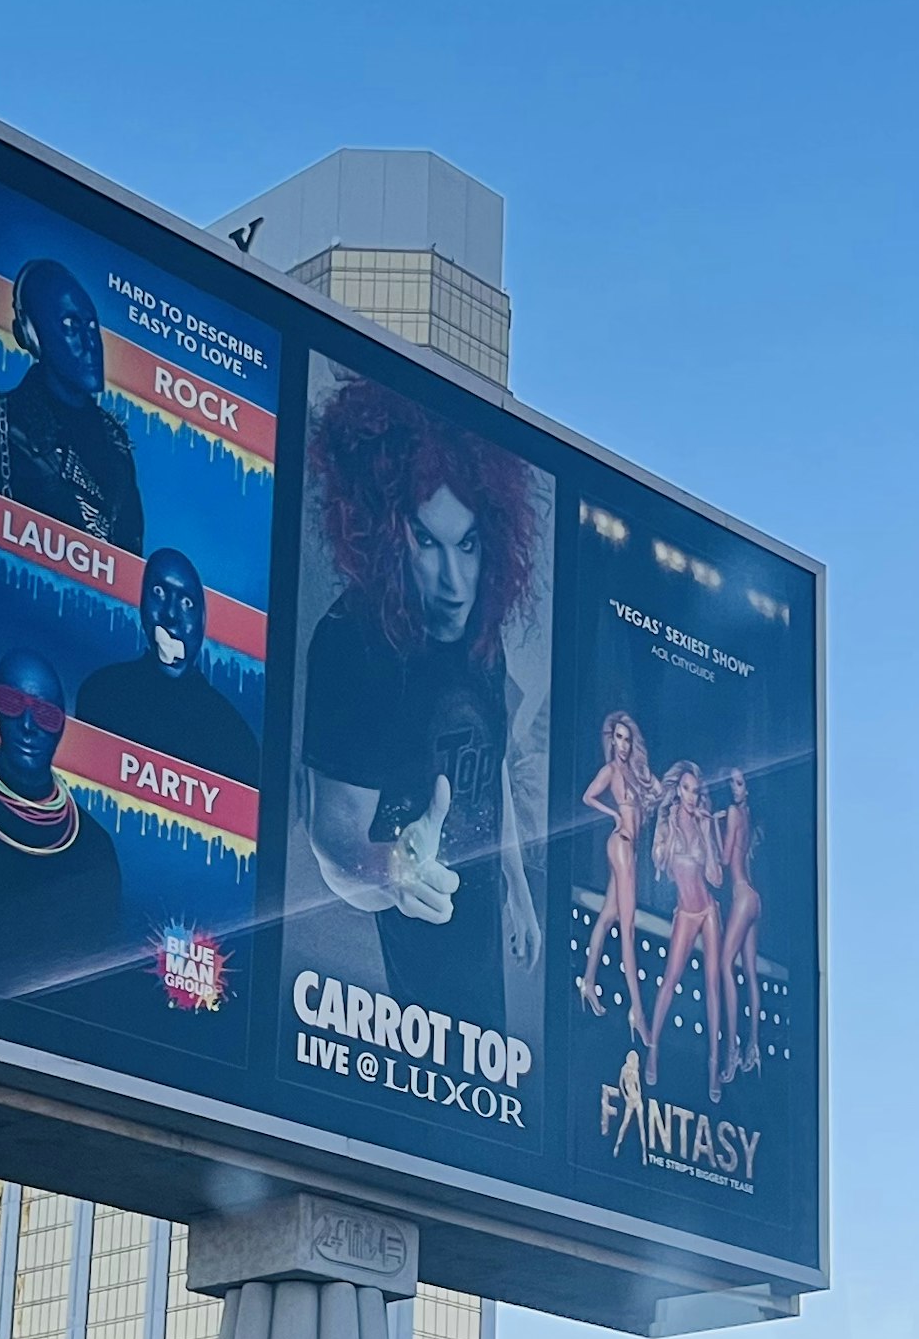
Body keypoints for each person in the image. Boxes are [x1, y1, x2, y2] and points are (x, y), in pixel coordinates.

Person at [296, 376, 543, 1041]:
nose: (453, 581)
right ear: (383, 532)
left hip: (482, 916)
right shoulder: (352, 641)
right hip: (412, 949)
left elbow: (490, 770)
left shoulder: (482, 645)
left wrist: (516, 886)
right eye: (427, 543)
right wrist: (396, 873)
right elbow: (334, 834)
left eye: (466, 545)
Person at [0, 647, 123, 1002]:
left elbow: (93, 981)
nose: (29, 726)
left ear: (62, 725)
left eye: (46, 714)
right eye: (12, 703)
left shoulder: (93, 848)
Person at [0, 256, 143, 545]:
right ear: (30, 335)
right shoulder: (2, 428)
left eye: (92, 326)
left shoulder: (116, 444)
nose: (90, 344)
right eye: (71, 326)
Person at [75, 547, 255, 783]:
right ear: (142, 603)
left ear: (202, 622)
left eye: (187, 603)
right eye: (158, 592)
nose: (170, 614)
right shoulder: (101, 692)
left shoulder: (235, 737)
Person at [640, 763, 723, 1094]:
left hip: (708, 910)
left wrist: (707, 834)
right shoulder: (669, 822)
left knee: (712, 985)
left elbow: (716, 878)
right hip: (686, 913)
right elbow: (658, 862)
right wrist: (668, 835)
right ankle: (652, 1051)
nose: (691, 796)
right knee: (670, 980)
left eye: (696, 790)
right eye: (686, 789)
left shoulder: (704, 824)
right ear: (679, 790)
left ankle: (714, 1066)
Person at [575, 710, 656, 1029]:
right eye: (618, 738)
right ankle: (637, 1010)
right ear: (611, 740)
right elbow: (588, 796)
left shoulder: (634, 772)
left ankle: (588, 981)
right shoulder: (610, 771)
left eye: (628, 739)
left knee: (608, 916)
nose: (623, 744)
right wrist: (613, 814)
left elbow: (659, 792)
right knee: (627, 926)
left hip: (629, 849)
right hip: (620, 843)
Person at [715, 765, 764, 1085]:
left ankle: (732, 1046)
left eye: (738, 782)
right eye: (731, 782)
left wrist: (714, 825)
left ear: (746, 788)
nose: (734, 788)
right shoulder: (747, 817)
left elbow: (722, 858)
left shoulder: (733, 813)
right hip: (754, 898)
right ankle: (754, 1046)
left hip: (742, 896)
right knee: (749, 974)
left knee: (724, 966)